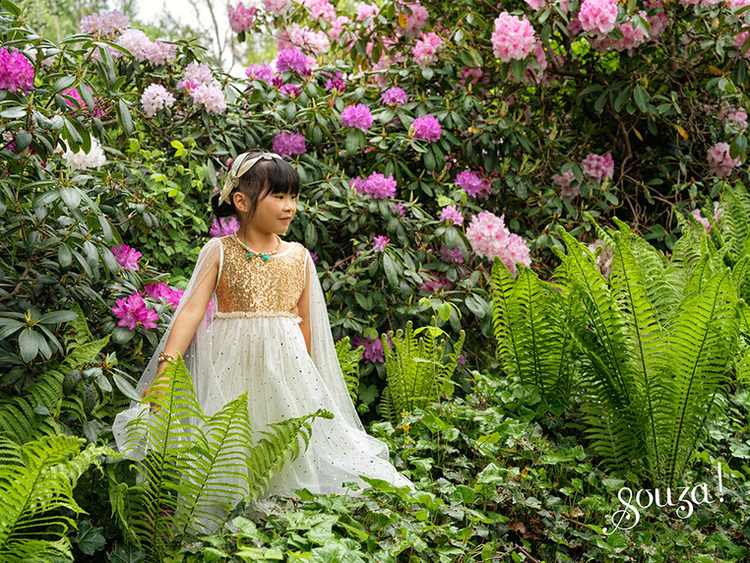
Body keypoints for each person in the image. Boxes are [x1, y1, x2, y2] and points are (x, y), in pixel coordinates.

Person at [112, 149, 412, 504]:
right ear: (241, 201)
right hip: (229, 364)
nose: (290, 207)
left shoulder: (298, 257)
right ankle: (231, 503)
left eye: (293, 197)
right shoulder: (219, 251)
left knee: (282, 436)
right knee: (228, 436)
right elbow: (190, 312)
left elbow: (305, 322)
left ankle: (285, 505)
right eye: (279, 196)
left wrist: (308, 376)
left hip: (285, 366)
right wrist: (166, 369)